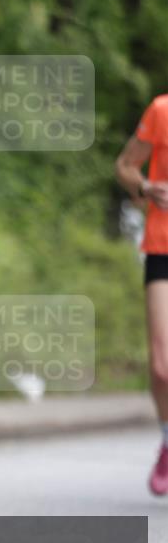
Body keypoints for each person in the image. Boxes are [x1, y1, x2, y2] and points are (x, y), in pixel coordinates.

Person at [115, 93, 168, 496]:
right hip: (162, 246)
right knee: (162, 366)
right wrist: (147, 187)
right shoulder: (161, 110)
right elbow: (125, 166)